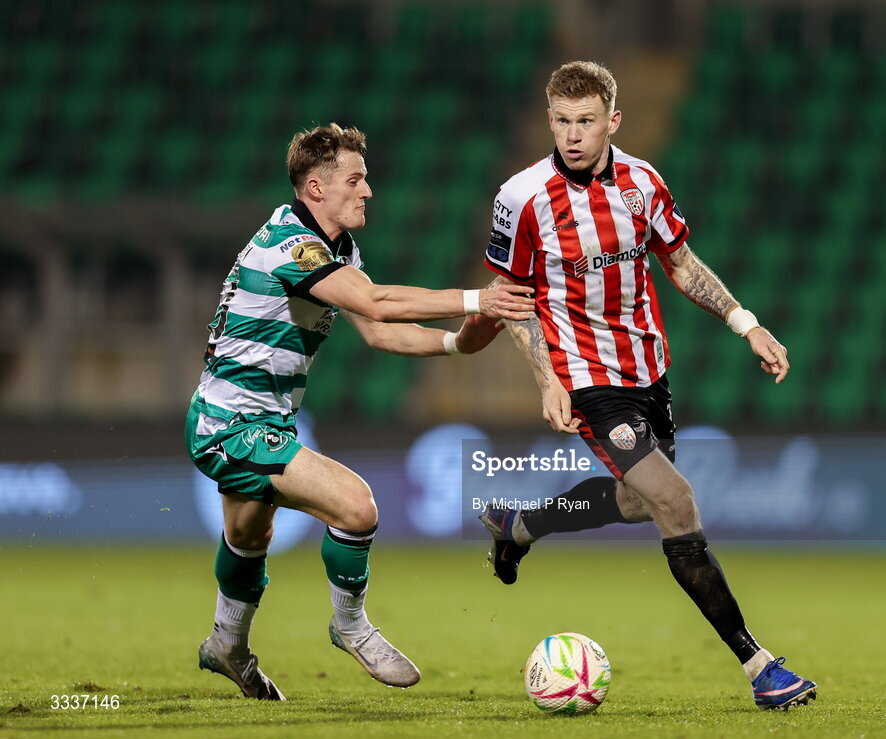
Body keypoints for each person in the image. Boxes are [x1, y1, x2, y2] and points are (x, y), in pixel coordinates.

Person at [462, 61, 817, 711]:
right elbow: (510, 296)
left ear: (612, 121)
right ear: (550, 119)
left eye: (586, 122)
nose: (573, 135)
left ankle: (520, 525)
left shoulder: (643, 183)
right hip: (586, 377)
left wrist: (747, 323)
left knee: (634, 502)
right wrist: (548, 379)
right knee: (676, 502)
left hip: (648, 369)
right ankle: (760, 665)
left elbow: (679, 261)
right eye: (562, 121)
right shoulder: (522, 196)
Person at [185, 123, 534, 700]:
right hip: (230, 423)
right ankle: (349, 626)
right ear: (316, 189)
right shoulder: (290, 244)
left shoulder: (335, 247)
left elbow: (378, 332)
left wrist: (455, 343)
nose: (368, 190)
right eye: (356, 179)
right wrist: (478, 298)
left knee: (249, 535)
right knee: (357, 506)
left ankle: (227, 645)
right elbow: (375, 300)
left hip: (259, 418)